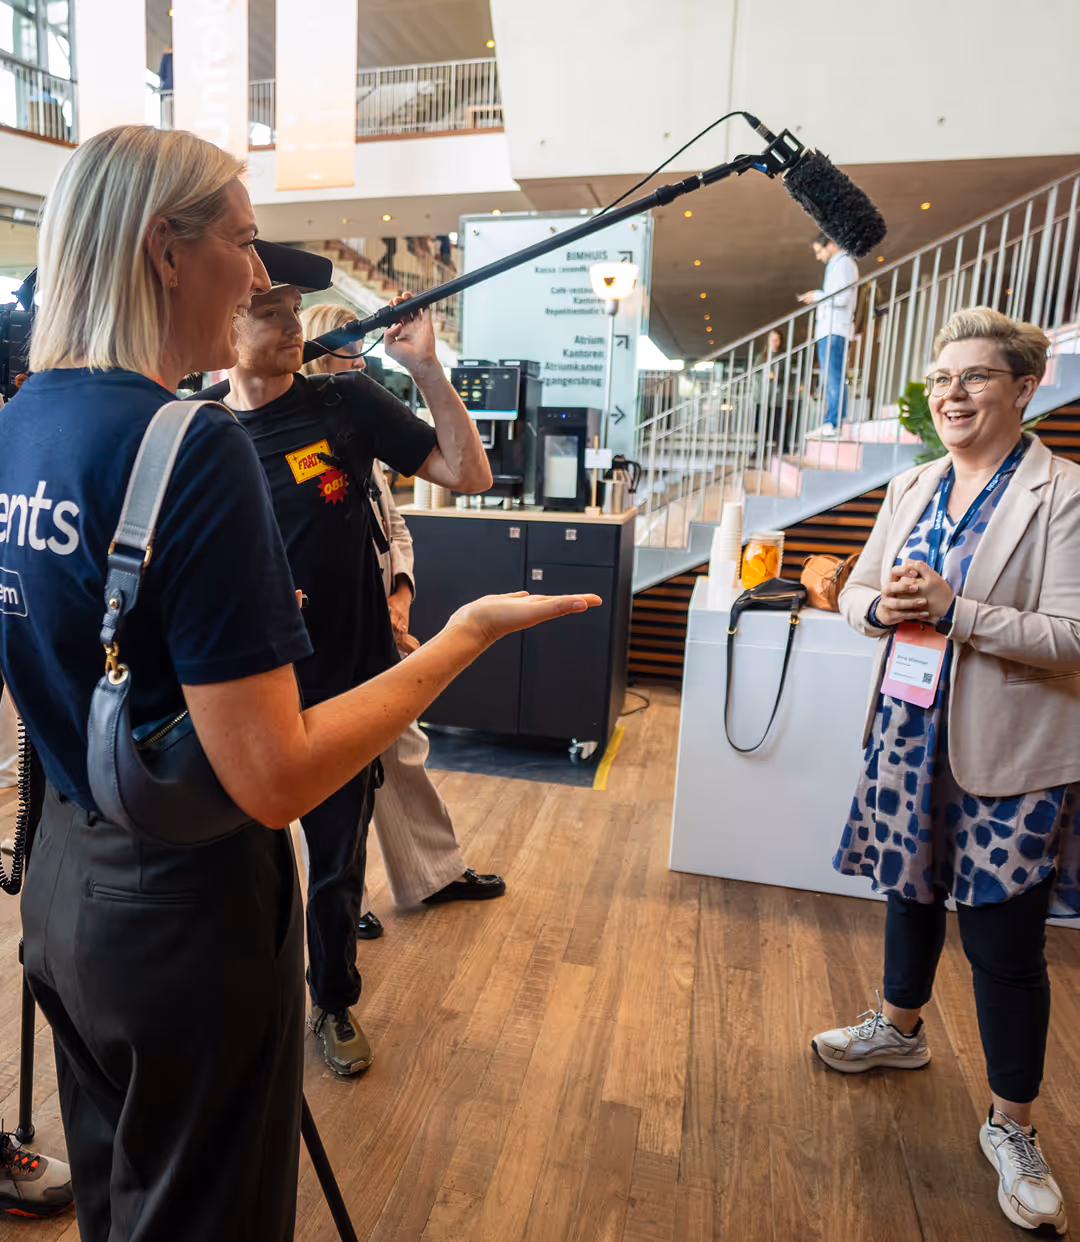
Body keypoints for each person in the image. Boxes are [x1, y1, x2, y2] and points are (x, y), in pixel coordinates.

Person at [0, 124, 599, 1242]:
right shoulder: (194, 444)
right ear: (165, 249)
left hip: (63, 885)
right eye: (241, 244)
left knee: (125, 1202)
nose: (257, 278)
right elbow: (272, 777)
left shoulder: (21, 422)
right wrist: (460, 639)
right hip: (180, 909)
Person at [813, 307, 1080, 1236]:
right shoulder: (914, 483)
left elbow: (1073, 638)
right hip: (907, 729)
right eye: (941, 378)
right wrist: (879, 612)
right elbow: (857, 590)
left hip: (1010, 751)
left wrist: (956, 609)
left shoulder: (1063, 493)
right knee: (910, 891)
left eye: (974, 377)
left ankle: (1013, 1126)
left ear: (1024, 388)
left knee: (1005, 947)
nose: (951, 394)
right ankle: (898, 1030)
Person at [199, 279, 493, 1075]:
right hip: (238, 688)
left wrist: (427, 370)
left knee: (335, 867)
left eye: (295, 310)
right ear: (227, 322)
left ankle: (331, 1001)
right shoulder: (196, 425)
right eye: (270, 312)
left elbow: (469, 475)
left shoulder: (344, 402)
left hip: (347, 681)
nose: (293, 324)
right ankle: (242, 1010)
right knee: (237, 866)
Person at [300, 302, 506, 935]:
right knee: (327, 768)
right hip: (316, 640)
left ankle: (431, 872)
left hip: (376, 627)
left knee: (401, 747)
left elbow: (394, 529)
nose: (361, 367)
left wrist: (399, 595)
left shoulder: (360, 430)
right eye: (349, 354)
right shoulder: (290, 435)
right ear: (317, 355)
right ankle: (339, 900)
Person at [798, 233, 858, 437]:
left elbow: (841, 298)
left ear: (831, 244)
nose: (818, 257)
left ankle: (834, 422)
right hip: (829, 330)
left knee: (834, 377)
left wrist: (817, 296)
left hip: (836, 330)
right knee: (831, 377)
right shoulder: (836, 265)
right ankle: (833, 420)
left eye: (819, 251)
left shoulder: (844, 264)